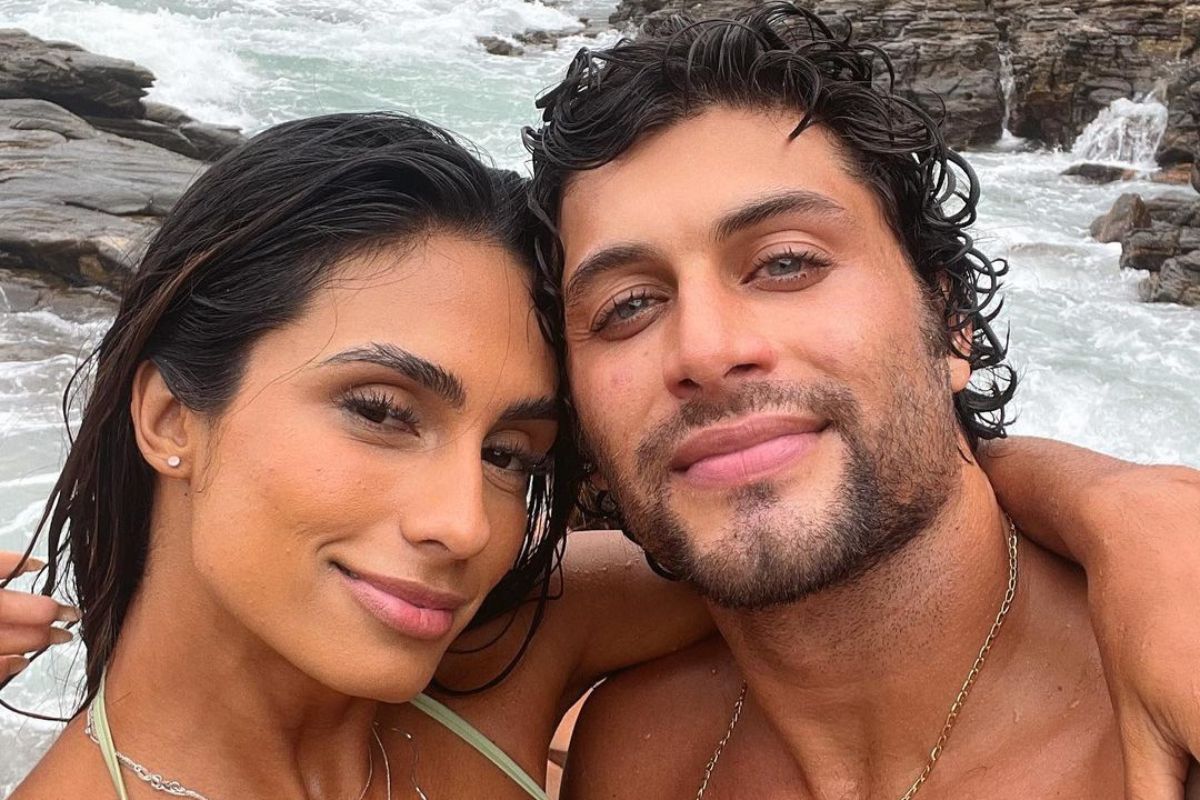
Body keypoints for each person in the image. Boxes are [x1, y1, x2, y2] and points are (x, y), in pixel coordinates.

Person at [0, 104, 1198, 800]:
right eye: (378, 408)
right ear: (170, 418)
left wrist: (1132, 513)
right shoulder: (492, 656)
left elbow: (832, 502)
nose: (463, 524)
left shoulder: (494, 658)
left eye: (512, 454)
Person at [522, 4, 1200, 798]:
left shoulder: (1169, 701)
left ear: (951, 325)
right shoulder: (634, 755)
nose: (704, 350)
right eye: (628, 306)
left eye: (786, 263)